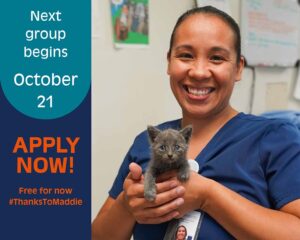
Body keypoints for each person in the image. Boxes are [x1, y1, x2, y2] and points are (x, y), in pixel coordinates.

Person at [92, 6, 300, 239]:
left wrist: (207, 196)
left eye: (217, 58)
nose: (199, 72)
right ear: (169, 62)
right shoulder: (145, 144)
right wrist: (126, 206)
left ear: (238, 67)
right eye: (186, 55)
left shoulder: (275, 137)